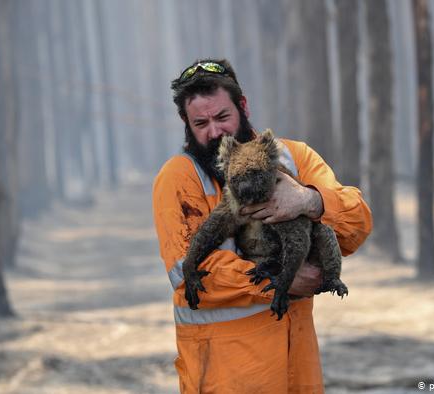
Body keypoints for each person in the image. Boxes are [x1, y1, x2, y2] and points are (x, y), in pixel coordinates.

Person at [152, 59, 372, 393]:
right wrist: (277, 281)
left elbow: (357, 223)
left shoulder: (292, 157)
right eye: (200, 122)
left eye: (222, 117)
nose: (214, 132)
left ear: (243, 106)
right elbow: (186, 272)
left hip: (299, 371)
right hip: (224, 378)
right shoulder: (179, 178)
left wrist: (310, 201)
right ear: (186, 123)